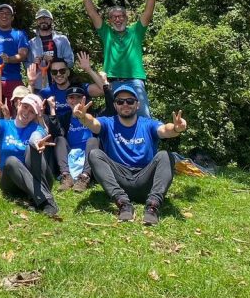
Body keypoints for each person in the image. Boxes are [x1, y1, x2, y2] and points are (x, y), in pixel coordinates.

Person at [72, 85, 187, 225]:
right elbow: (93, 123)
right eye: (120, 101)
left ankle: (153, 206)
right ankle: (123, 204)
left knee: (165, 155)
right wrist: (83, 117)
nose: (125, 104)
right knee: (95, 154)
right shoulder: (108, 123)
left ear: (137, 105)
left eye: (130, 101)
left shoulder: (148, 124)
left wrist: (176, 128)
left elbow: (165, 130)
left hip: (145, 181)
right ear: (115, 105)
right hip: (119, 180)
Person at [0, 88, 60, 217]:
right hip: (11, 182)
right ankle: (45, 201)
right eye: (25, 107)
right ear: (19, 105)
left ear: (35, 115)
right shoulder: (5, 126)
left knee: (31, 148)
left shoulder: (37, 128)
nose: (26, 113)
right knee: (11, 161)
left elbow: (36, 137)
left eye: (31, 111)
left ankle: (37, 197)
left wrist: (35, 143)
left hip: (38, 177)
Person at [79, 0, 158, 117]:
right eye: (114, 17)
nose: (118, 19)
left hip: (135, 80)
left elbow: (147, 14)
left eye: (121, 16)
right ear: (109, 21)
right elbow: (92, 14)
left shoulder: (135, 32)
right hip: (112, 82)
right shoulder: (106, 33)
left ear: (126, 19)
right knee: (115, 120)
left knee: (143, 116)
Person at [44, 84, 97, 192]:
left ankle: (84, 177)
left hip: (89, 154)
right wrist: (53, 110)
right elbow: (57, 133)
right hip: (71, 154)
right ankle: (66, 176)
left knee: (93, 140)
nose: (75, 100)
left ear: (84, 99)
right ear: (67, 100)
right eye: (71, 97)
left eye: (78, 97)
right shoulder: (66, 117)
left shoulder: (93, 114)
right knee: (59, 139)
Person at [27, 10, 74, 90]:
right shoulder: (31, 43)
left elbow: (70, 62)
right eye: (40, 19)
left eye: (46, 18)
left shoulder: (62, 40)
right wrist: (34, 64)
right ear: (37, 22)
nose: (43, 21)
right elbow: (27, 66)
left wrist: (54, 60)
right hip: (40, 86)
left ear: (51, 20)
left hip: (61, 84)